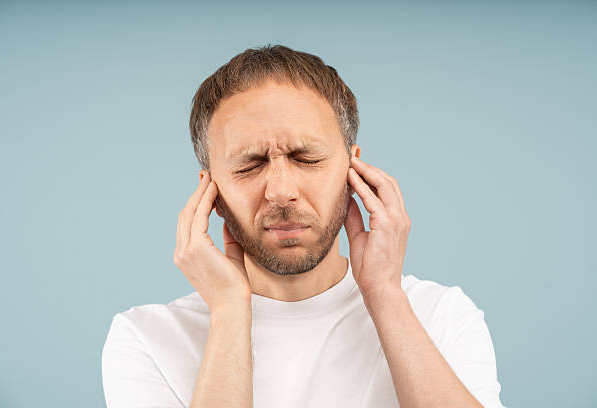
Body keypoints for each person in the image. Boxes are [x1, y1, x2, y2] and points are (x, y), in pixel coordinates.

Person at [101, 44, 505, 408]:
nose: (281, 192)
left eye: (306, 158)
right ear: (212, 193)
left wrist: (385, 295)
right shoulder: (146, 339)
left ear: (354, 171)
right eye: (249, 165)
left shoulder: (441, 315)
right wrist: (228, 311)